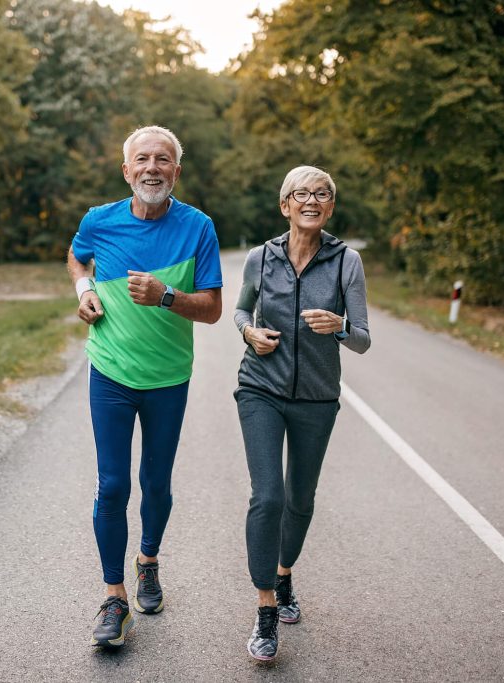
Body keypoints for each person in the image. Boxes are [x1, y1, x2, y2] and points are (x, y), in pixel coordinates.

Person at [67, 125, 223, 648]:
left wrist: (165, 296)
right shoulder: (99, 220)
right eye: (143, 159)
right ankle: (114, 599)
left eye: (163, 160)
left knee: (156, 483)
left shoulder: (198, 226)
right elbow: (76, 255)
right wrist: (84, 289)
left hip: (167, 378)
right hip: (109, 371)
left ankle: (148, 561)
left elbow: (214, 309)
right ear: (126, 169)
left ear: (176, 171)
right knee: (112, 485)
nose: (152, 167)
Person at [233, 165, 370, 661]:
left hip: (316, 397)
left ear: (330, 208)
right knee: (267, 496)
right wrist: (250, 333)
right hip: (260, 388)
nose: (311, 200)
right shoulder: (259, 257)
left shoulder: (346, 262)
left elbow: (363, 340)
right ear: (284, 204)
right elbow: (241, 312)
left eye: (322, 194)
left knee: (300, 499)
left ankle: (285, 573)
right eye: (301, 193)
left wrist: (338, 325)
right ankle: (266, 607)